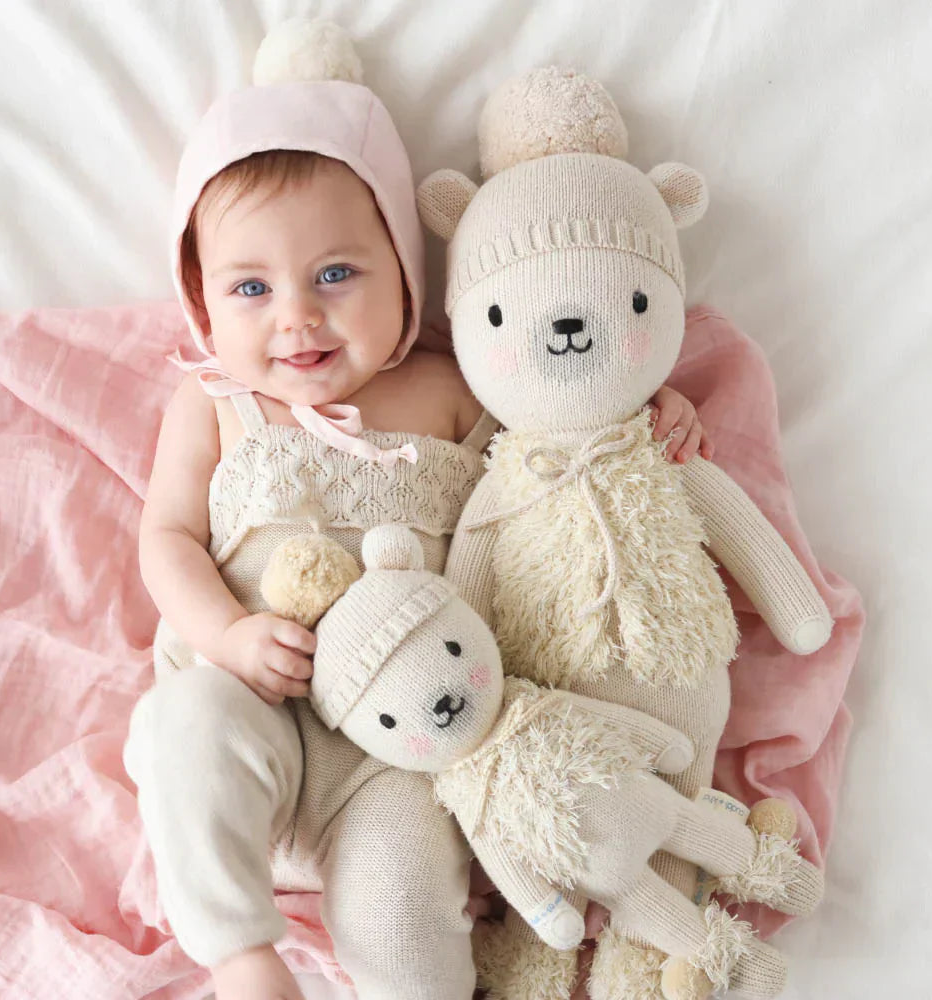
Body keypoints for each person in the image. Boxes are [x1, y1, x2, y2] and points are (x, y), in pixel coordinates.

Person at [123, 20, 710, 1000]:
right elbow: (166, 538)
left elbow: (556, 435)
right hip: (250, 707)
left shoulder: (448, 390)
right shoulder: (216, 404)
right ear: (202, 300)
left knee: (401, 910)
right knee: (181, 728)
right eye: (251, 287)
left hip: (395, 754)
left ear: (406, 268)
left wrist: (641, 402)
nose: (296, 316)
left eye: (336, 274)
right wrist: (225, 635)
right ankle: (241, 956)